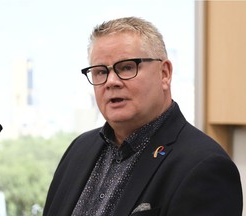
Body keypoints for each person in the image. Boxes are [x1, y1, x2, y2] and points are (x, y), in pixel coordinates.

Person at [43, 16, 243, 216]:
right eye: (100, 72)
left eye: (127, 67)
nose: (111, 81)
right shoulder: (79, 149)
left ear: (164, 73)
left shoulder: (204, 166)